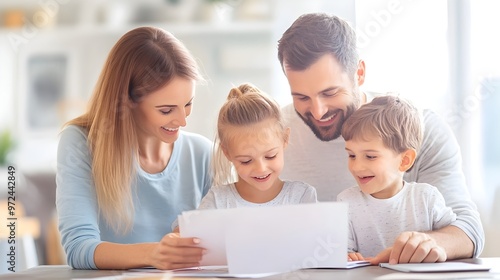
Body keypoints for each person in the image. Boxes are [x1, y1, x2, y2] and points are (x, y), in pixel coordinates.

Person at [277, 12, 484, 264]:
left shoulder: (420, 129)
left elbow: (469, 230)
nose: (318, 111)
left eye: (330, 92)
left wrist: (431, 243)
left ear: (359, 73)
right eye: (301, 97)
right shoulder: (271, 136)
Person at [56, 27, 212, 270]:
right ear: (127, 101)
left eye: (188, 104)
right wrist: (154, 254)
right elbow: (79, 248)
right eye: (166, 110)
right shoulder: (81, 144)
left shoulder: (203, 154)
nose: (182, 121)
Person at [173, 83, 316, 230]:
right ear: (227, 153)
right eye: (246, 161)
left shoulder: (302, 196)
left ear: (285, 139)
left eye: (270, 156)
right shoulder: (218, 201)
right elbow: (182, 233)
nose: (261, 169)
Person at [337, 95, 457, 262]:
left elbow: (453, 236)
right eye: (351, 155)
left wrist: (439, 249)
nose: (357, 167)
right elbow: (341, 252)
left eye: (370, 157)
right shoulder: (346, 202)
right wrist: (346, 257)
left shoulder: (427, 198)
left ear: (404, 160)